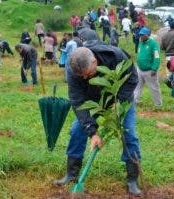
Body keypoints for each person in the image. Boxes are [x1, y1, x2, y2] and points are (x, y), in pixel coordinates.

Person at [53, 44, 142, 196]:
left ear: (94, 62)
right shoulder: (73, 69)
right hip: (94, 102)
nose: (86, 78)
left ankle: (132, 179)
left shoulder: (115, 56)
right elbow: (78, 101)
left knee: (129, 134)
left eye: (88, 74)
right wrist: (92, 133)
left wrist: (119, 102)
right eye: (83, 76)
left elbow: (132, 79)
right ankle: (72, 173)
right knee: (76, 130)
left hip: (119, 100)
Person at [134, 27, 162, 107]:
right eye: (140, 35)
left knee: (154, 88)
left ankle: (158, 104)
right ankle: (135, 100)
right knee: (137, 86)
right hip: (139, 69)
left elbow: (157, 57)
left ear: (148, 35)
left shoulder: (153, 43)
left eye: (143, 35)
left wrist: (154, 68)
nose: (141, 36)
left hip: (150, 70)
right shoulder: (140, 43)